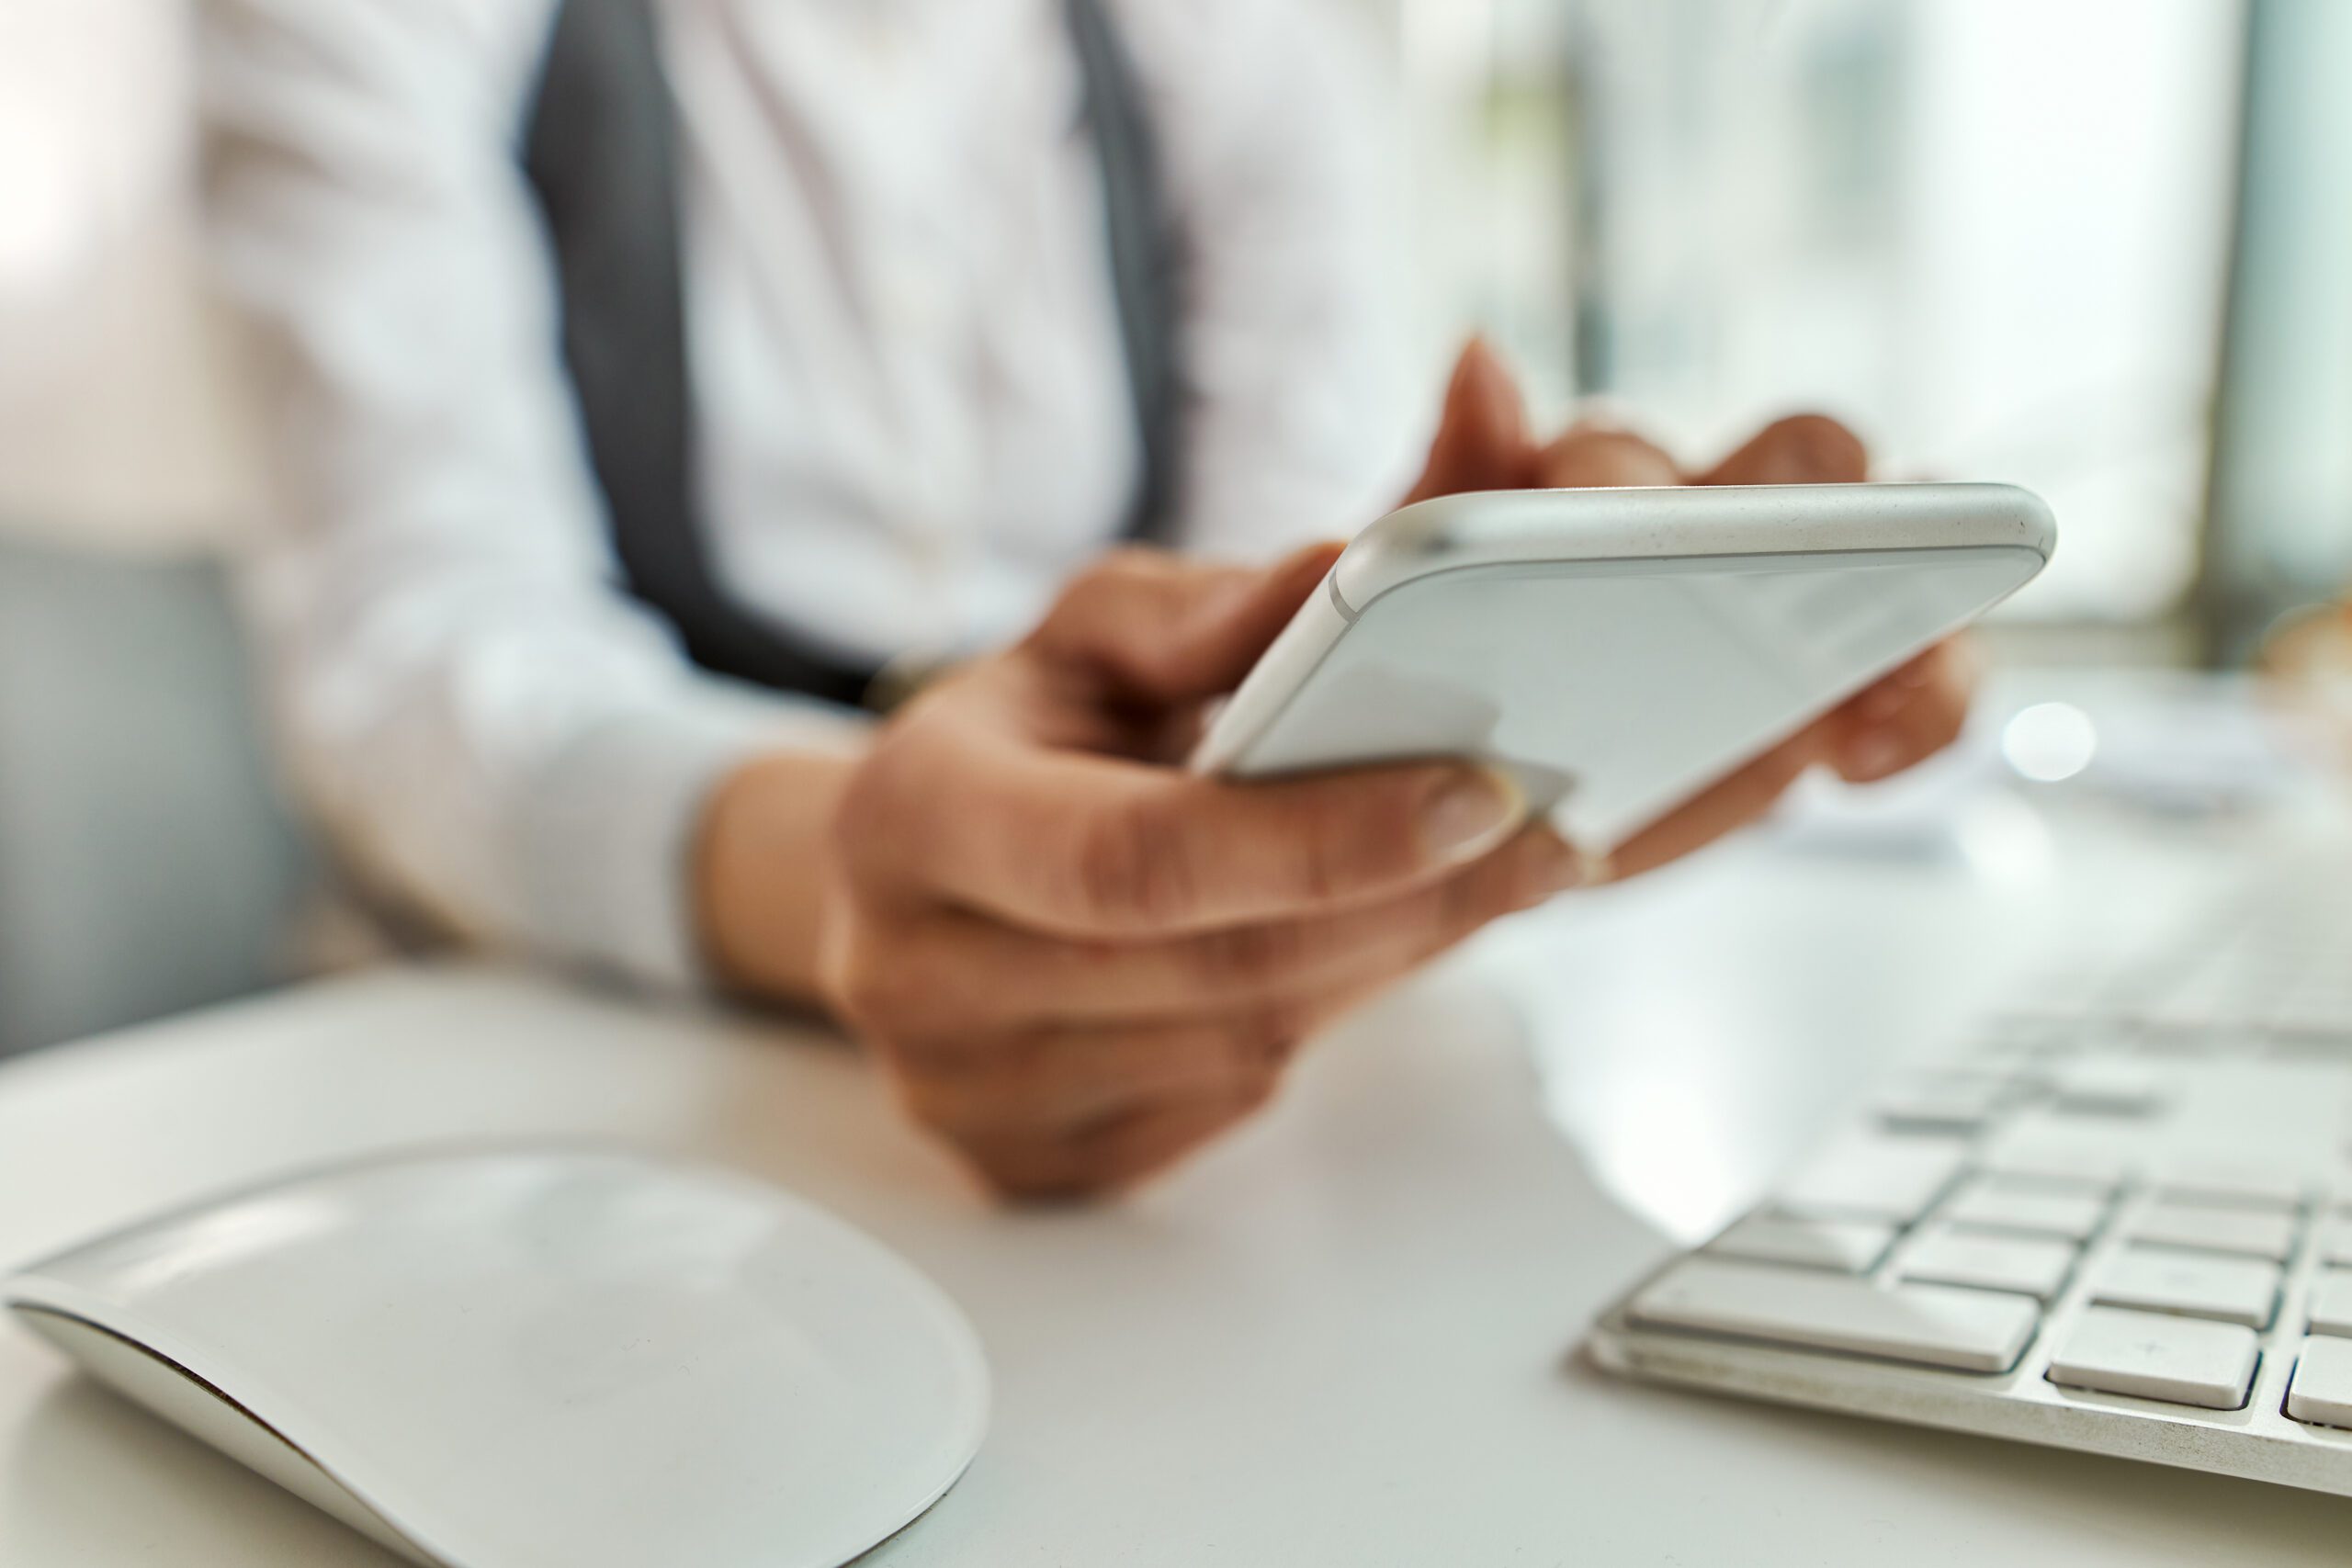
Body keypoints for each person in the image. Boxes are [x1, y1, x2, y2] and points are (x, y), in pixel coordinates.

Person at [199, 0, 1973, 1197]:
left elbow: (1273, 558)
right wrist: (863, 877)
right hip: (542, 1084)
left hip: (1196, 1107)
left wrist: (1402, 696)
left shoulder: (1238, 40)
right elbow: (423, 648)